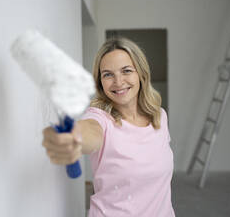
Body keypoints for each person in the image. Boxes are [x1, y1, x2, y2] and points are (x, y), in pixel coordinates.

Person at [42, 37, 175, 217]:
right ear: (100, 83)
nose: (118, 82)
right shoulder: (100, 119)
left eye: (126, 71)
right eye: (108, 74)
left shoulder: (159, 117)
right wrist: (75, 137)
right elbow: (90, 131)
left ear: (141, 74)